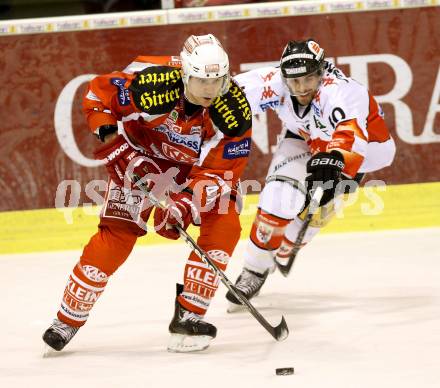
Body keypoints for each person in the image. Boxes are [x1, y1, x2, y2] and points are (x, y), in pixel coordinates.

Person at [43, 34, 252, 352]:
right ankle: (66, 319)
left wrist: (185, 203)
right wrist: (114, 143)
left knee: (225, 223)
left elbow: (221, 171)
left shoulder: (233, 111)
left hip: (194, 171)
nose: (211, 89)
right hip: (140, 158)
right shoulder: (151, 83)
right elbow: (97, 96)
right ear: (184, 74)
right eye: (201, 81)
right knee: (117, 233)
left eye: (218, 80)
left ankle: (190, 317)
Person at [226, 39, 396, 309]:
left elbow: (350, 134)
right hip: (304, 139)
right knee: (276, 200)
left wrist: (336, 161)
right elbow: (224, 93)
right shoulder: (275, 82)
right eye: (294, 82)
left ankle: (286, 244)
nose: (301, 88)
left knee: (312, 217)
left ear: (322, 72)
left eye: (309, 79)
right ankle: (254, 270)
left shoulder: (342, 92)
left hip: (362, 152)